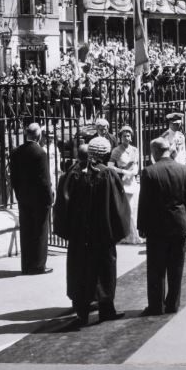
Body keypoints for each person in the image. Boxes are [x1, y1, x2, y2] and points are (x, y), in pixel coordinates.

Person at [57, 136, 129, 326]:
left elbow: (64, 204)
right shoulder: (107, 174)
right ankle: (106, 309)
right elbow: (117, 205)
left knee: (81, 271)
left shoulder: (73, 174)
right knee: (104, 271)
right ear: (105, 154)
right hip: (103, 234)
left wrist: (69, 230)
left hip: (80, 235)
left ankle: (81, 313)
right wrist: (118, 231)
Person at [138, 137, 186, 315]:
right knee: (176, 267)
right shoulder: (184, 170)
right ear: (168, 150)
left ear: (154, 152)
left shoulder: (149, 172)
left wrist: (142, 226)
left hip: (157, 227)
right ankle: (173, 304)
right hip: (179, 224)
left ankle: (156, 305)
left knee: (156, 268)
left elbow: (144, 203)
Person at [9, 123, 54, 275]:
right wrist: (49, 198)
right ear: (38, 135)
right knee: (41, 231)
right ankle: (39, 265)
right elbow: (44, 180)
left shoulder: (16, 152)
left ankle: (27, 264)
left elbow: (13, 178)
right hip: (39, 198)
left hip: (23, 197)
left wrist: (19, 194)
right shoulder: (40, 153)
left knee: (26, 231)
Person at [109, 125, 142, 245]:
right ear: (120, 138)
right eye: (124, 136)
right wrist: (123, 171)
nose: (126, 138)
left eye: (128, 135)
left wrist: (134, 172)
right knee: (126, 210)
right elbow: (110, 166)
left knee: (134, 209)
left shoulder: (134, 150)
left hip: (133, 181)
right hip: (123, 182)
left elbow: (137, 164)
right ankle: (126, 236)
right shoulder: (116, 151)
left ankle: (135, 235)